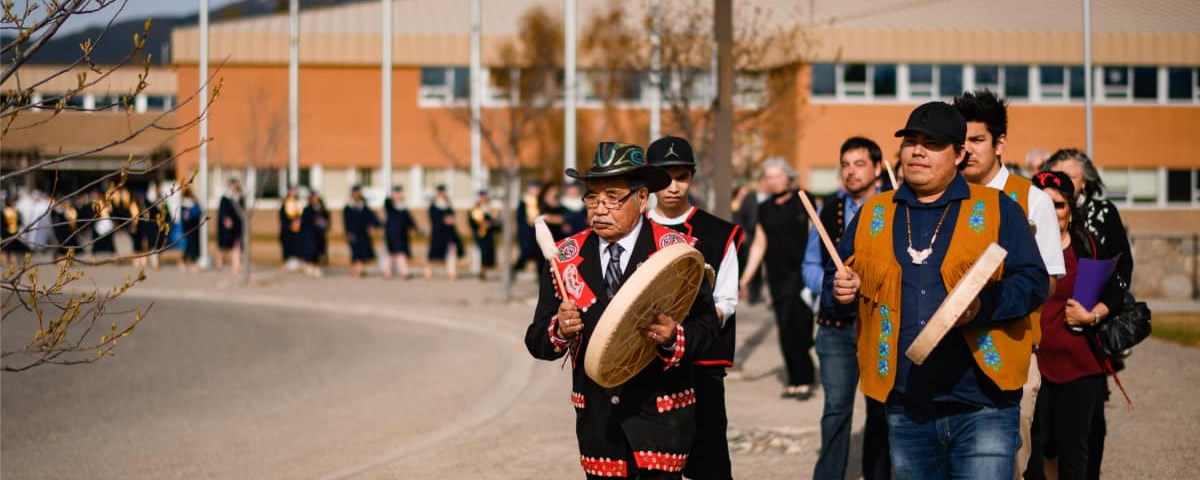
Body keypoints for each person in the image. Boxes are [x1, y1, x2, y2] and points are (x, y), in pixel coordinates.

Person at [824, 101, 1048, 480]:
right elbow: (839, 288)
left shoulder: (998, 209)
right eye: (911, 141)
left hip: (984, 403)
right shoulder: (873, 214)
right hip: (906, 404)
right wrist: (841, 293)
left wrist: (983, 306)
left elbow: (1033, 282)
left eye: (933, 143)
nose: (917, 151)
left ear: (960, 153)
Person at [525, 141, 719, 479]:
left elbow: (708, 331)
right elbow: (536, 339)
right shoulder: (564, 257)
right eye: (592, 197)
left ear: (642, 198)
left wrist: (675, 337)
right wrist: (558, 329)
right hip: (600, 425)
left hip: (661, 419)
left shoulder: (676, 254)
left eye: (612, 197)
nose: (600, 209)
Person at [955, 90, 1066, 478]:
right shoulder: (942, 197)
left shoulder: (1031, 200)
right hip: (948, 354)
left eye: (977, 140)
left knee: (1004, 467)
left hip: (1010, 349)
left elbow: (1048, 281)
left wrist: (991, 294)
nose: (966, 149)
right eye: (961, 140)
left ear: (1000, 143)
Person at [646, 136, 743, 480]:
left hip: (701, 363)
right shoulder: (634, 231)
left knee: (709, 461)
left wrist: (682, 334)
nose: (673, 186)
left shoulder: (718, 233)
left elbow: (726, 302)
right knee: (652, 461)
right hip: (644, 366)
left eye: (682, 176)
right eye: (664, 177)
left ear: (692, 177)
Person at [1024, 171, 1123, 480]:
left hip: (1080, 364)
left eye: (1058, 205)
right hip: (1034, 363)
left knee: (1074, 448)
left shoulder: (1087, 246)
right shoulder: (1020, 248)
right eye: (1043, 203)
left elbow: (1116, 291)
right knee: (1037, 448)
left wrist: (1091, 315)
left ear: (1070, 209)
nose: (1051, 212)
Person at [803, 137, 891, 480]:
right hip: (835, 328)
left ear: (877, 168)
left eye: (859, 163)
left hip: (878, 327)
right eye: (845, 164)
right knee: (836, 410)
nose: (850, 171)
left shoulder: (892, 210)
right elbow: (810, 263)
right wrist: (830, 289)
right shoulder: (826, 210)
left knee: (880, 410)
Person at [739, 157, 818, 400]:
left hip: (802, 272)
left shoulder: (803, 199)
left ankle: (805, 376)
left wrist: (816, 268)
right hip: (778, 276)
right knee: (785, 328)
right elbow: (759, 244)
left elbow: (814, 234)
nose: (773, 181)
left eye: (777, 176)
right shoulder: (765, 209)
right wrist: (745, 278)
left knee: (802, 327)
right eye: (768, 177)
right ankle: (795, 380)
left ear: (788, 177)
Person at [732, 176, 768, 306]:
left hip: (767, 235)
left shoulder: (771, 198)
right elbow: (740, 216)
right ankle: (752, 293)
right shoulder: (750, 198)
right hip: (751, 236)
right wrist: (743, 233)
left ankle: (757, 292)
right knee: (753, 264)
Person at [425, 184, 462, 280]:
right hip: (438, 233)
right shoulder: (433, 206)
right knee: (434, 254)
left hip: (449, 233)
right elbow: (433, 219)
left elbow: (452, 216)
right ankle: (428, 270)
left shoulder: (448, 205)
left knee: (452, 251)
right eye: (440, 192)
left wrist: (453, 220)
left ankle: (451, 272)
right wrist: (444, 220)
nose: (442, 194)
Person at [343, 185, 380, 277]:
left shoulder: (363, 205)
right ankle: (359, 269)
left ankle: (357, 269)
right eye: (355, 192)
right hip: (353, 232)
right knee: (355, 251)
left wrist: (374, 225)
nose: (356, 194)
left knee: (363, 251)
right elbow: (346, 221)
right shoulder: (348, 207)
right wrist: (348, 232)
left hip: (363, 232)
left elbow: (371, 217)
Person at [382, 186, 418, 279]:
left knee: (394, 254)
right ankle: (404, 271)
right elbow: (387, 203)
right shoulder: (390, 205)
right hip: (391, 233)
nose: (398, 195)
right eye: (396, 193)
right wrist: (391, 196)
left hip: (402, 234)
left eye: (399, 193)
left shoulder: (403, 207)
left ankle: (387, 271)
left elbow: (409, 220)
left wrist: (415, 228)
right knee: (398, 252)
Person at [512, 181, 542, 280]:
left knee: (539, 255)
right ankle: (514, 270)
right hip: (526, 232)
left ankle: (540, 276)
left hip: (537, 231)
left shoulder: (540, 201)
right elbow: (520, 217)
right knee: (525, 254)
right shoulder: (523, 202)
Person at [468, 190, 500, 281]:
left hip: (489, 234)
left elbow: (496, 221)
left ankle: (484, 270)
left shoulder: (490, 209)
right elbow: (472, 222)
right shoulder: (475, 209)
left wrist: (490, 224)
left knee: (488, 252)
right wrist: (480, 226)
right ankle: (481, 270)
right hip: (480, 234)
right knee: (483, 251)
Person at [216, 178, 244, 274]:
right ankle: (219, 261)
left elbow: (242, 212)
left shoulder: (239, 197)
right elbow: (222, 212)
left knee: (236, 246)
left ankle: (236, 266)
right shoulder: (225, 198)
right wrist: (225, 220)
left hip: (237, 225)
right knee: (223, 246)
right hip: (226, 227)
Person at [300, 190, 330, 277]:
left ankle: (317, 267)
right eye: (313, 197)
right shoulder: (307, 210)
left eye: (316, 197)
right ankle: (310, 266)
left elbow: (327, 220)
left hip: (320, 234)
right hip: (310, 235)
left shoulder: (322, 209)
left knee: (319, 251)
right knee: (311, 251)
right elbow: (304, 222)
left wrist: (324, 223)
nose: (315, 199)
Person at [178, 188, 202, 272]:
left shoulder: (193, 203)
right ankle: (192, 263)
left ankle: (184, 261)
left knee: (191, 245)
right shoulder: (185, 204)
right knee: (191, 245)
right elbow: (185, 217)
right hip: (189, 228)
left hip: (194, 227)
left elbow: (198, 213)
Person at [279, 187, 303, 271]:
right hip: (288, 230)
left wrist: (298, 221)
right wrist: (290, 224)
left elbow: (300, 215)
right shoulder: (285, 203)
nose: (293, 193)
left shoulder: (298, 203)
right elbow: (283, 217)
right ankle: (286, 263)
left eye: (294, 191)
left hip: (297, 229)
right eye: (292, 191)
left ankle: (295, 262)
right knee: (287, 246)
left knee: (296, 246)